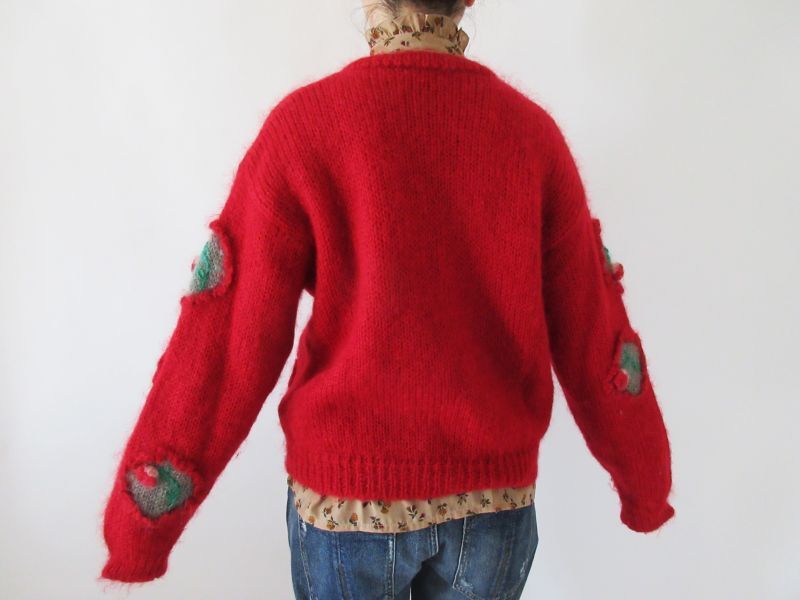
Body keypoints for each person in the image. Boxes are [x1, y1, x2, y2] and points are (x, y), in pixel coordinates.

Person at [99, 0, 675, 597]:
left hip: (346, 502)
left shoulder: (304, 127)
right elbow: (594, 330)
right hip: (494, 503)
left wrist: (143, 521)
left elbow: (226, 337)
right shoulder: (532, 138)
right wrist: (645, 481)